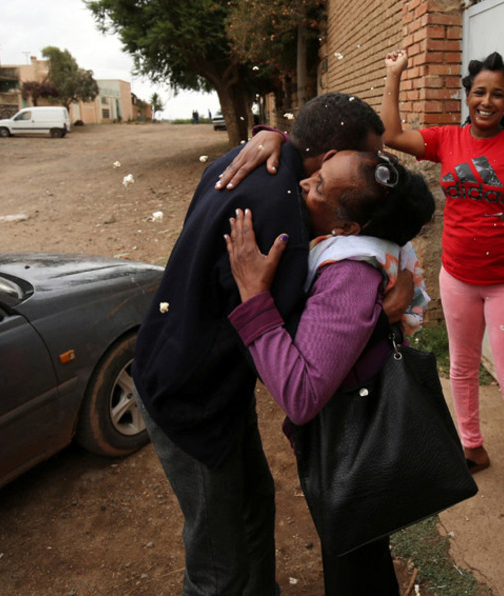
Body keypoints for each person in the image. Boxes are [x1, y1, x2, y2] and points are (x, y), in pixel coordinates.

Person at [132, 92, 410, 595]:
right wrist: (379, 316)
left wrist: (274, 135)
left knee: (252, 507)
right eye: (365, 157)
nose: (374, 165)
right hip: (190, 396)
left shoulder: (246, 161)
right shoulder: (282, 220)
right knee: (219, 564)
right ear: (326, 160)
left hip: (192, 369)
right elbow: (299, 376)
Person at [225, 150, 435, 595]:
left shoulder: (349, 273)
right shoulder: (377, 236)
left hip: (352, 445)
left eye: (319, 186)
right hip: (362, 436)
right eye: (315, 174)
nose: (304, 185)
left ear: (348, 229)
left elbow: (301, 396)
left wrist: (253, 297)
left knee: (353, 565)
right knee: (365, 556)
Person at [381, 49, 504, 534]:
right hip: (458, 276)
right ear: (467, 96)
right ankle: (471, 448)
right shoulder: (447, 140)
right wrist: (394, 75)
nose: (488, 101)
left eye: (498, 94)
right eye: (480, 92)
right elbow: (391, 135)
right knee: (462, 366)